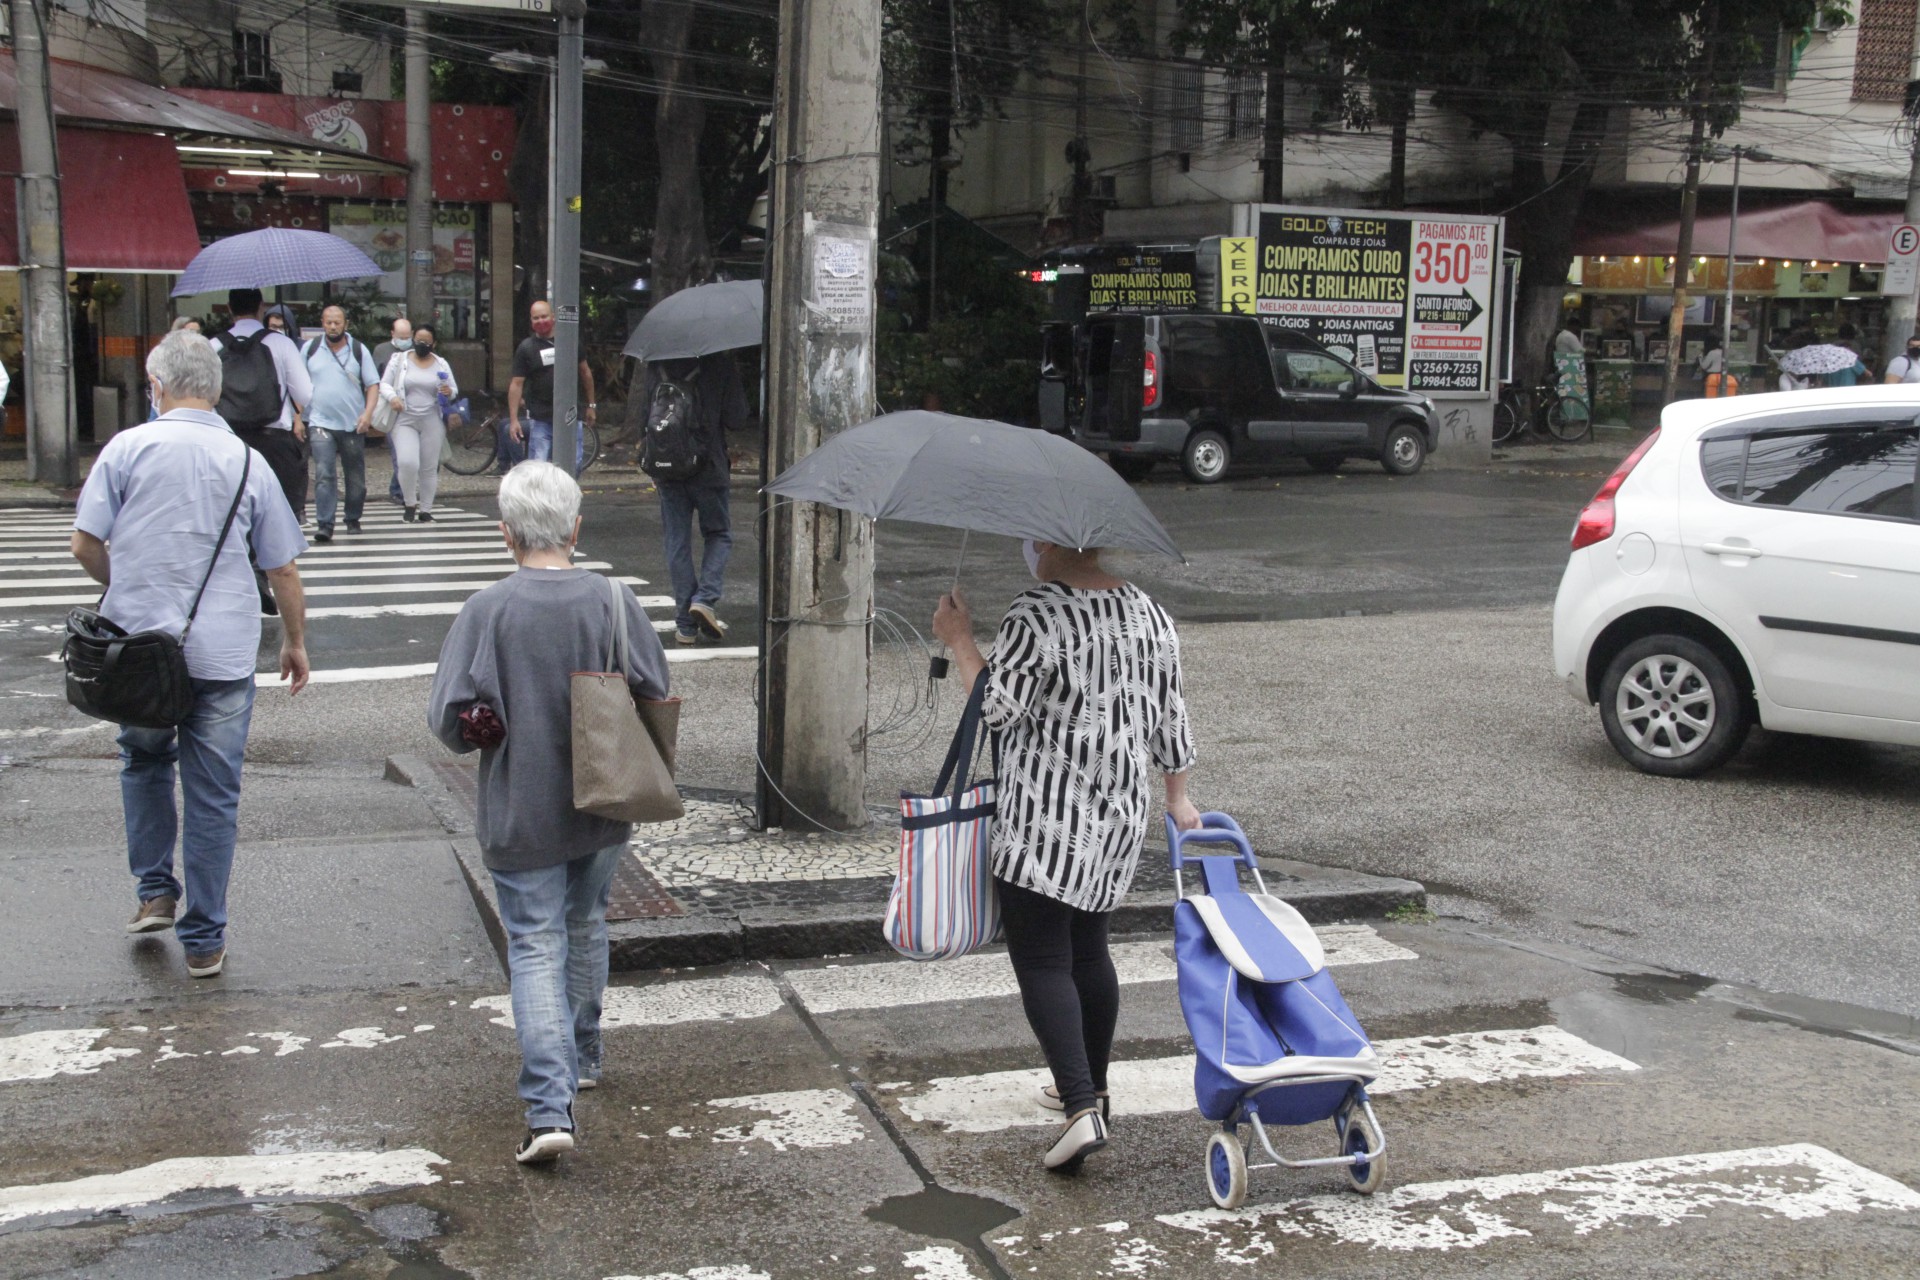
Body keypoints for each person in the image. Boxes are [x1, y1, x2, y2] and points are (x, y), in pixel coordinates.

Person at [427, 462, 670, 1164]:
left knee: (534, 943)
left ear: (506, 534)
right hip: (604, 800)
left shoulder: (487, 611)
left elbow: (448, 721)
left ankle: (546, 1107)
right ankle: (583, 1057)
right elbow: (656, 688)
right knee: (585, 920)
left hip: (519, 808)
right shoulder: (614, 602)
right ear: (576, 527)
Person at [931, 542, 1200, 1172]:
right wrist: (1179, 799)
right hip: (1120, 817)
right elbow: (1173, 721)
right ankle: (1091, 1088)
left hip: (1046, 819)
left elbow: (996, 707)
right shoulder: (1150, 614)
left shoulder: (1038, 613)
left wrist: (960, 639)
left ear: (1048, 545)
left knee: (1045, 958)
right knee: (1088, 950)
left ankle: (1081, 1108)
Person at [69, 331, 310, 979]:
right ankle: (204, 939)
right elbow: (282, 568)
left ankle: (154, 892)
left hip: (141, 655)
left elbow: (85, 544)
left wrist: (122, 583)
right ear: (215, 389)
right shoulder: (246, 461)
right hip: (224, 658)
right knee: (212, 795)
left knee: (144, 761)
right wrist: (294, 642)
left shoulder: (127, 449)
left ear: (158, 387)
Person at [641, 351, 748, 646]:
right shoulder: (720, 361)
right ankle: (704, 598)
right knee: (718, 534)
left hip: (667, 467)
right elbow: (738, 417)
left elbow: (645, 415)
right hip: (709, 466)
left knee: (677, 541)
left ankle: (685, 626)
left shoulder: (658, 361)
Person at [209, 288, 313, 524]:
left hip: (228, 442)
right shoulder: (281, 343)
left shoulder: (212, 345)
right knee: (276, 516)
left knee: (232, 514)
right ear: (261, 307)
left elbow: (205, 395)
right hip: (274, 442)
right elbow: (305, 394)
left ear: (229, 308)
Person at [302, 305, 382, 543]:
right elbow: (297, 383)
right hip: (320, 421)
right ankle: (325, 523)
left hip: (352, 423)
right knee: (324, 472)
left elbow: (373, 385)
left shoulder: (358, 350)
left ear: (345, 324)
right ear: (322, 323)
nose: (333, 326)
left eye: (337, 322)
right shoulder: (310, 349)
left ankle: (352, 516)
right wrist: (298, 417)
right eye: (328, 322)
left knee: (354, 475)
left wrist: (367, 415)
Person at [380, 321, 457, 523]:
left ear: (434, 344)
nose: (422, 344)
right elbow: (384, 384)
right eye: (419, 340)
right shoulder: (399, 360)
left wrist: (448, 392)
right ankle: (409, 503)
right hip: (404, 418)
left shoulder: (441, 364)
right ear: (414, 339)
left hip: (431, 418)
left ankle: (426, 509)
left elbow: (453, 389)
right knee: (407, 462)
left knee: (429, 467)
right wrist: (392, 398)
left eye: (427, 341)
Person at [508, 299, 598, 468]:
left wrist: (591, 404)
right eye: (536, 318)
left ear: (553, 317)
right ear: (531, 321)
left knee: (575, 462)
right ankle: (542, 495)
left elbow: (585, 372)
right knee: (538, 465)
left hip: (570, 415)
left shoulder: (570, 342)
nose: (541, 321)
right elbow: (516, 384)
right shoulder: (526, 348)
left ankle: (565, 494)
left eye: (544, 316)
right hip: (541, 416)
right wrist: (513, 419)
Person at [374, 318, 414, 504]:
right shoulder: (382, 351)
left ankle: (399, 488)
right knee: (399, 452)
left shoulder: (416, 351)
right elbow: (375, 380)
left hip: (413, 408)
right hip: (391, 408)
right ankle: (399, 491)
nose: (405, 341)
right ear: (392, 334)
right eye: (401, 337)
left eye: (408, 337)